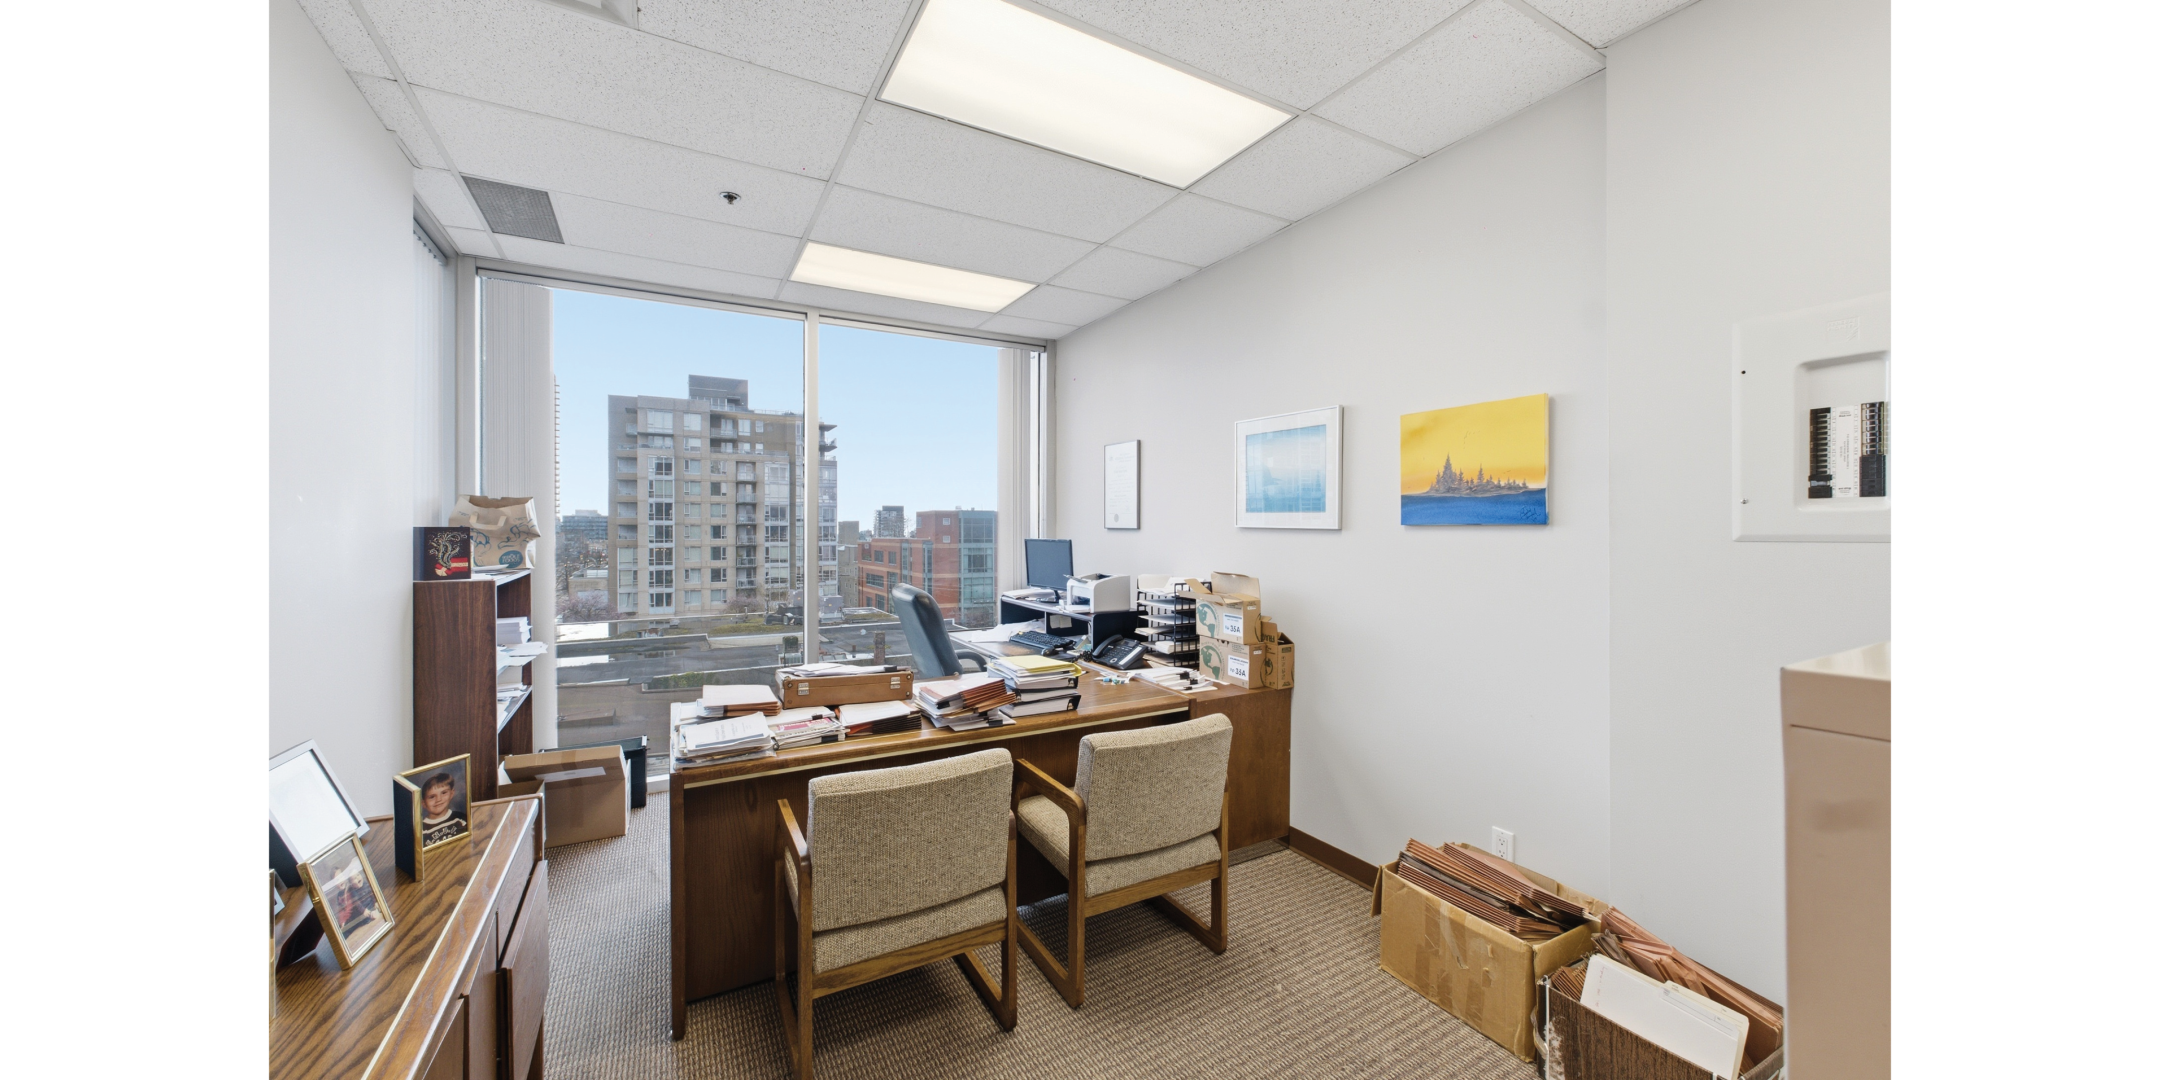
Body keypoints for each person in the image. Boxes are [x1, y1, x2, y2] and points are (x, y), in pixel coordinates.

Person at [420, 771, 468, 847]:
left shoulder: (461, 819)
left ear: (451, 794)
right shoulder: (421, 830)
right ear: (424, 804)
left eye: (444, 793)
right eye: (432, 797)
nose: (439, 799)